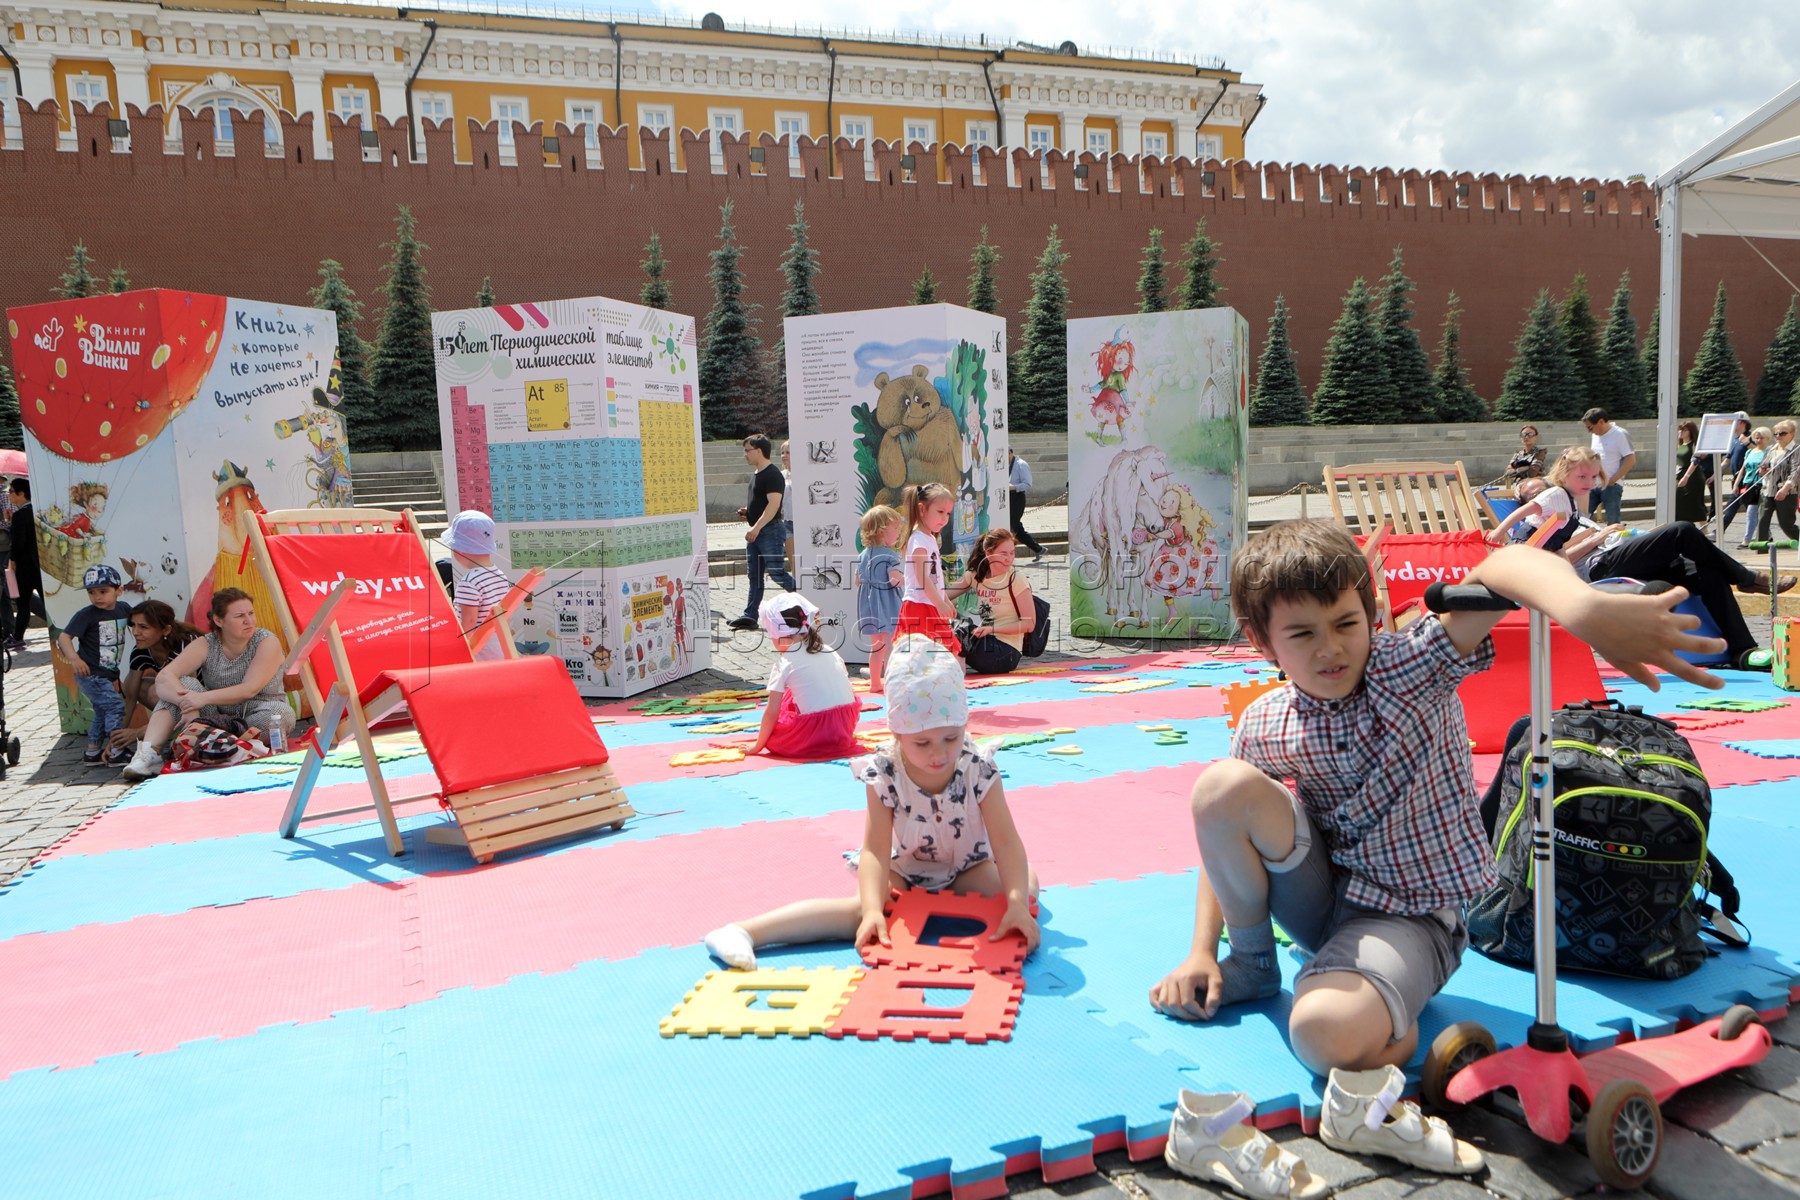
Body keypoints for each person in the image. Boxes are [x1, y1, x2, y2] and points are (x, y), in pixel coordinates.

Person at [1147, 521, 1723, 1182]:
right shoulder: (1266, 720)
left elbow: (1507, 565)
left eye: (1346, 623)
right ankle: (1254, 966)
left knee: (1320, 1033)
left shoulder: (1410, 668)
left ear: (1372, 611)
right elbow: (1221, 838)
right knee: (1221, 786)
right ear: (1261, 641)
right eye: (1302, 634)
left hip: (1412, 916)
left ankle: (1383, 1010)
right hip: (1325, 902)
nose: (1331, 649)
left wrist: (1583, 607)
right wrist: (1202, 950)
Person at [702, 634, 1038, 970]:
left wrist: (1017, 904)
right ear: (898, 734)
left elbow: (1006, 841)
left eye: (951, 737)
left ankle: (1011, 901)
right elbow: (875, 850)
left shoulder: (976, 766)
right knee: (859, 911)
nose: (939, 754)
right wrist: (874, 910)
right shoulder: (886, 771)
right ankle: (744, 932)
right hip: (904, 868)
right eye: (922, 743)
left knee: (1025, 889)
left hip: (967, 867)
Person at [1499, 447, 1791, 670]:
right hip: (1602, 566)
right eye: (1534, 493)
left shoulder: (1573, 508)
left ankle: (1742, 650)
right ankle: (1747, 579)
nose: (1542, 493)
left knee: (1706, 571)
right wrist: (1594, 539)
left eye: (1543, 488)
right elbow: (1556, 561)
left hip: (1624, 554)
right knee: (1681, 530)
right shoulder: (1541, 522)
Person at [121, 587, 295, 781]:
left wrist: (200, 699)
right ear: (219, 621)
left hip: (257, 713)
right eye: (239, 616)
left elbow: (249, 688)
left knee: (281, 713)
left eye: (251, 613)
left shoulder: (266, 641)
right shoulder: (207, 643)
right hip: (216, 718)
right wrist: (186, 704)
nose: (249, 621)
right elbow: (164, 677)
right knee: (183, 684)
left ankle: (219, 746)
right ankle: (149, 753)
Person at [742, 592, 860, 761]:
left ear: (780, 636)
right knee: (794, 692)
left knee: (774, 737)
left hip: (813, 734)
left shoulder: (785, 663)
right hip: (845, 726)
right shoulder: (829, 650)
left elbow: (772, 712)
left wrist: (758, 744)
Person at [57, 564, 135, 765]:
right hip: (90, 674)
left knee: (102, 710)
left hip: (107, 673)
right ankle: (117, 750)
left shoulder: (124, 609)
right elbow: (64, 637)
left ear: (119, 590)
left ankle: (92, 751)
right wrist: (75, 659)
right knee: (115, 706)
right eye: (91, 592)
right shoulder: (86, 615)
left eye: (103, 591)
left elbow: (139, 622)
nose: (97, 597)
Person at [109, 599, 204, 757]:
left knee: (159, 690)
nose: (136, 632)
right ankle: (164, 733)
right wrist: (116, 740)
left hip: (206, 706)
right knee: (138, 686)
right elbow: (130, 697)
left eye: (143, 627)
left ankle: (159, 739)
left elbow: (187, 693)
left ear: (166, 630)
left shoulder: (186, 644)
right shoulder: (141, 650)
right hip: (182, 704)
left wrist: (137, 733)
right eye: (133, 625)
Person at [727, 434, 797, 632]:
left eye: (747, 450)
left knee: (777, 573)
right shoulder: (758, 473)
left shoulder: (772, 474)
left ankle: (806, 600)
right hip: (758, 532)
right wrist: (749, 512)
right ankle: (750, 616)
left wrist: (756, 527)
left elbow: (774, 505)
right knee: (754, 576)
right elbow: (763, 503)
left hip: (769, 531)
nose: (745, 454)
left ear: (759, 451)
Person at [946, 528, 1037, 676]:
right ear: (988, 553)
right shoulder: (975, 576)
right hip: (986, 642)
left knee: (959, 629)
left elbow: (1029, 624)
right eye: (1003, 554)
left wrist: (991, 629)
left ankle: (957, 672)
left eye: (1012, 553)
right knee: (945, 618)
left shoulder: (1016, 579)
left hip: (1006, 652)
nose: (1009, 559)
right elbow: (943, 597)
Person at [893, 482, 961, 657]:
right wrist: (940, 603)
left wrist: (944, 599)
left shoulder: (928, 538)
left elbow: (934, 578)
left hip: (928, 604)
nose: (944, 518)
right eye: (940, 512)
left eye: (948, 513)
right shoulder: (919, 540)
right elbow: (922, 577)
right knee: (929, 654)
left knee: (937, 653)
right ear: (922, 509)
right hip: (920, 606)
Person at [444, 510, 510, 662]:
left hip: (479, 646)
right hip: (498, 641)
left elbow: (469, 620)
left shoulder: (469, 582)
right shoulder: (499, 574)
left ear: (460, 550)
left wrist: (461, 648)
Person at [855, 505, 904, 692]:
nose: (898, 532)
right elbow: (894, 580)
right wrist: (906, 579)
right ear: (882, 531)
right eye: (896, 528)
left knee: (876, 647)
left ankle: (875, 683)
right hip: (887, 606)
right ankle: (892, 683)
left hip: (868, 608)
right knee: (891, 644)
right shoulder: (890, 555)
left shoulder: (862, 555)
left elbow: (857, 581)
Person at [7, 478, 44, 652]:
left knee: (22, 604)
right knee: (45, 601)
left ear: (21, 493)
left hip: (25, 567)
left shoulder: (20, 515)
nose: (9, 495)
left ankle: (18, 637)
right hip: (40, 566)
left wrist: (12, 561)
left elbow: (18, 543)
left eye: (11, 491)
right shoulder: (37, 512)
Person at [1583, 407, 1635, 525]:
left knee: (1613, 521)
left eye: (1590, 427)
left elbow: (1630, 459)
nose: (1589, 431)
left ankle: (1614, 537)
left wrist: (1612, 480)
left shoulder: (1620, 434)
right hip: (1594, 483)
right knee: (1581, 516)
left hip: (1611, 485)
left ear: (1601, 421)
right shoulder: (1595, 435)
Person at [1752, 419, 1800, 546]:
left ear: (1792, 434)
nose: (1778, 436)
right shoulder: (1771, 448)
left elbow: (1796, 472)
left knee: (1786, 524)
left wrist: (1785, 489)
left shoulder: (1796, 450)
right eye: (1776, 434)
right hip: (1767, 490)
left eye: (1782, 433)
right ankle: (1761, 551)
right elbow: (1762, 465)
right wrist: (1761, 470)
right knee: (1762, 522)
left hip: (1787, 492)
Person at [1721, 426, 1771, 542]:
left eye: (1761, 438)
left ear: (1767, 438)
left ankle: (1746, 540)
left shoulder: (1769, 452)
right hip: (1748, 484)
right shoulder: (1750, 451)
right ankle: (1767, 534)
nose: (1758, 440)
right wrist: (1736, 484)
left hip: (1761, 485)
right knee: (1756, 513)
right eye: (1756, 438)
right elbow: (1743, 469)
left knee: (1751, 512)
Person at [1006, 450, 1045, 561]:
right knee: (1016, 527)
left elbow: (1027, 484)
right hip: (1008, 498)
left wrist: (1012, 487)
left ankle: (1008, 554)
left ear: (1010, 453)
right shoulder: (1005, 465)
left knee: (1012, 527)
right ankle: (1038, 549)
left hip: (1017, 497)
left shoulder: (1021, 465)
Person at [1674, 420, 1714, 527]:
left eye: (1684, 430)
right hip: (1680, 475)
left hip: (1693, 478)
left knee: (1695, 504)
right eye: (1680, 429)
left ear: (1691, 432)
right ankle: (1686, 527)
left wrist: (1686, 476)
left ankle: (1704, 530)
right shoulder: (1681, 445)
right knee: (1680, 504)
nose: (1681, 432)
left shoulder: (1694, 445)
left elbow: (1695, 462)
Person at [779, 439, 796, 576]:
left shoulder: (804, 474)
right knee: (794, 562)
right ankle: (796, 586)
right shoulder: (781, 475)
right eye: (782, 452)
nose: (784, 455)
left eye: (788, 453)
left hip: (802, 522)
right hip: (788, 522)